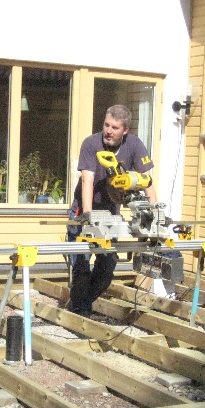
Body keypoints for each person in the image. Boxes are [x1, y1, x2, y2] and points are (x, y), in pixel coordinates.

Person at [66, 104, 159, 316]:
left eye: (114, 127)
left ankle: (81, 303)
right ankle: (80, 311)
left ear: (125, 130)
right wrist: (88, 216)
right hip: (83, 212)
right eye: (106, 125)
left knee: (107, 266)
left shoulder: (134, 145)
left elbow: (147, 182)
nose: (108, 131)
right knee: (81, 266)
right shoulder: (91, 143)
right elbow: (87, 180)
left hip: (111, 213)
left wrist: (155, 215)